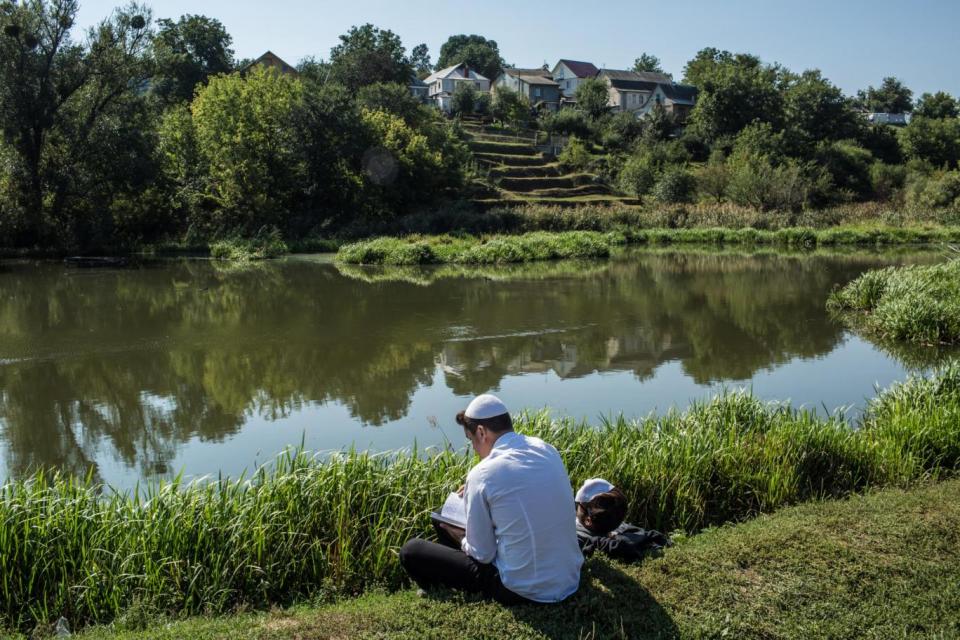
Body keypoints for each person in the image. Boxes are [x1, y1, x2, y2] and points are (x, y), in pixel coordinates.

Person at [399, 394, 583, 604]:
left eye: (471, 441)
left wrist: (460, 537)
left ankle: (439, 587)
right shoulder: (545, 449)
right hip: (569, 578)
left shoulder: (483, 473)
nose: (475, 451)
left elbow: (483, 555)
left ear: (481, 432)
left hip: (522, 590)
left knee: (412, 550)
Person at [574, 478, 671, 562]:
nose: (576, 507)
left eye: (579, 504)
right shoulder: (623, 530)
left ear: (588, 520)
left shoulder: (575, 537)